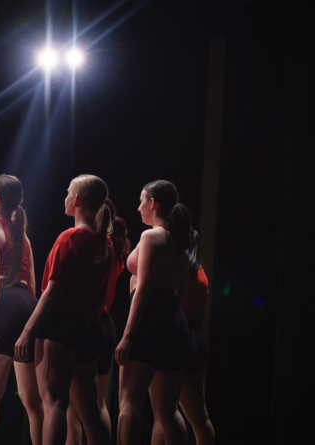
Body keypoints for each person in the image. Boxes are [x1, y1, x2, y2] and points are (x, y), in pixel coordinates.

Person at [15, 174, 114, 445]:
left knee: (54, 404)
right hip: (90, 330)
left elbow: (52, 292)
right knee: (91, 410)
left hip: (62, 329)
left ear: (78, 200)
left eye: (68, 192)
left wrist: (28, 331)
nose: (65, 197)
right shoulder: (105, 243)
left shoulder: (70, 238)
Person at [114, 180, 192, 445]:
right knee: (168, 410)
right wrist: (170, 318)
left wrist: (127, 336)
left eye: (141, 201)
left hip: (151, 316)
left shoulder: (151, 236)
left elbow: (144, 288)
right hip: (173, 319)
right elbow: (181, 290)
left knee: (129, 402)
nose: (138, 208)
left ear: (153, 203)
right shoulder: (181, 239)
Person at [0, 175, 44, 444]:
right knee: (34, 401)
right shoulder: (24, 237)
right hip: (28, 306)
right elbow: (33, 285)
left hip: (3, 302)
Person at [66, 198, 131, 445]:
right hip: (106, 325)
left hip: (87, 323)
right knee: (96, 404)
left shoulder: (93, 245)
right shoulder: (113, 250)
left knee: (73, 407)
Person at [152, 230, 215, 445]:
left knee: (162, 416)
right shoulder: (201, 274)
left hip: (174, 335)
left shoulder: (176, 268)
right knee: (200, 418)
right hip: (195, 338)